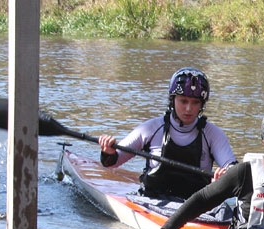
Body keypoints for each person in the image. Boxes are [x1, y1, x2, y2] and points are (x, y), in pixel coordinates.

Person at [97, 67, 237, 199]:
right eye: (183, 101)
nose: (189, 108)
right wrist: (108, 152)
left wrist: (224, 179)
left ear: (202, 105)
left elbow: (234, 171)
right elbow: (111, 163)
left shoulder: (213, 134)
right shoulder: (150, 129)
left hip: (195, 205)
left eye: (195, 102)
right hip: (151, 200)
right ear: (173, 100)